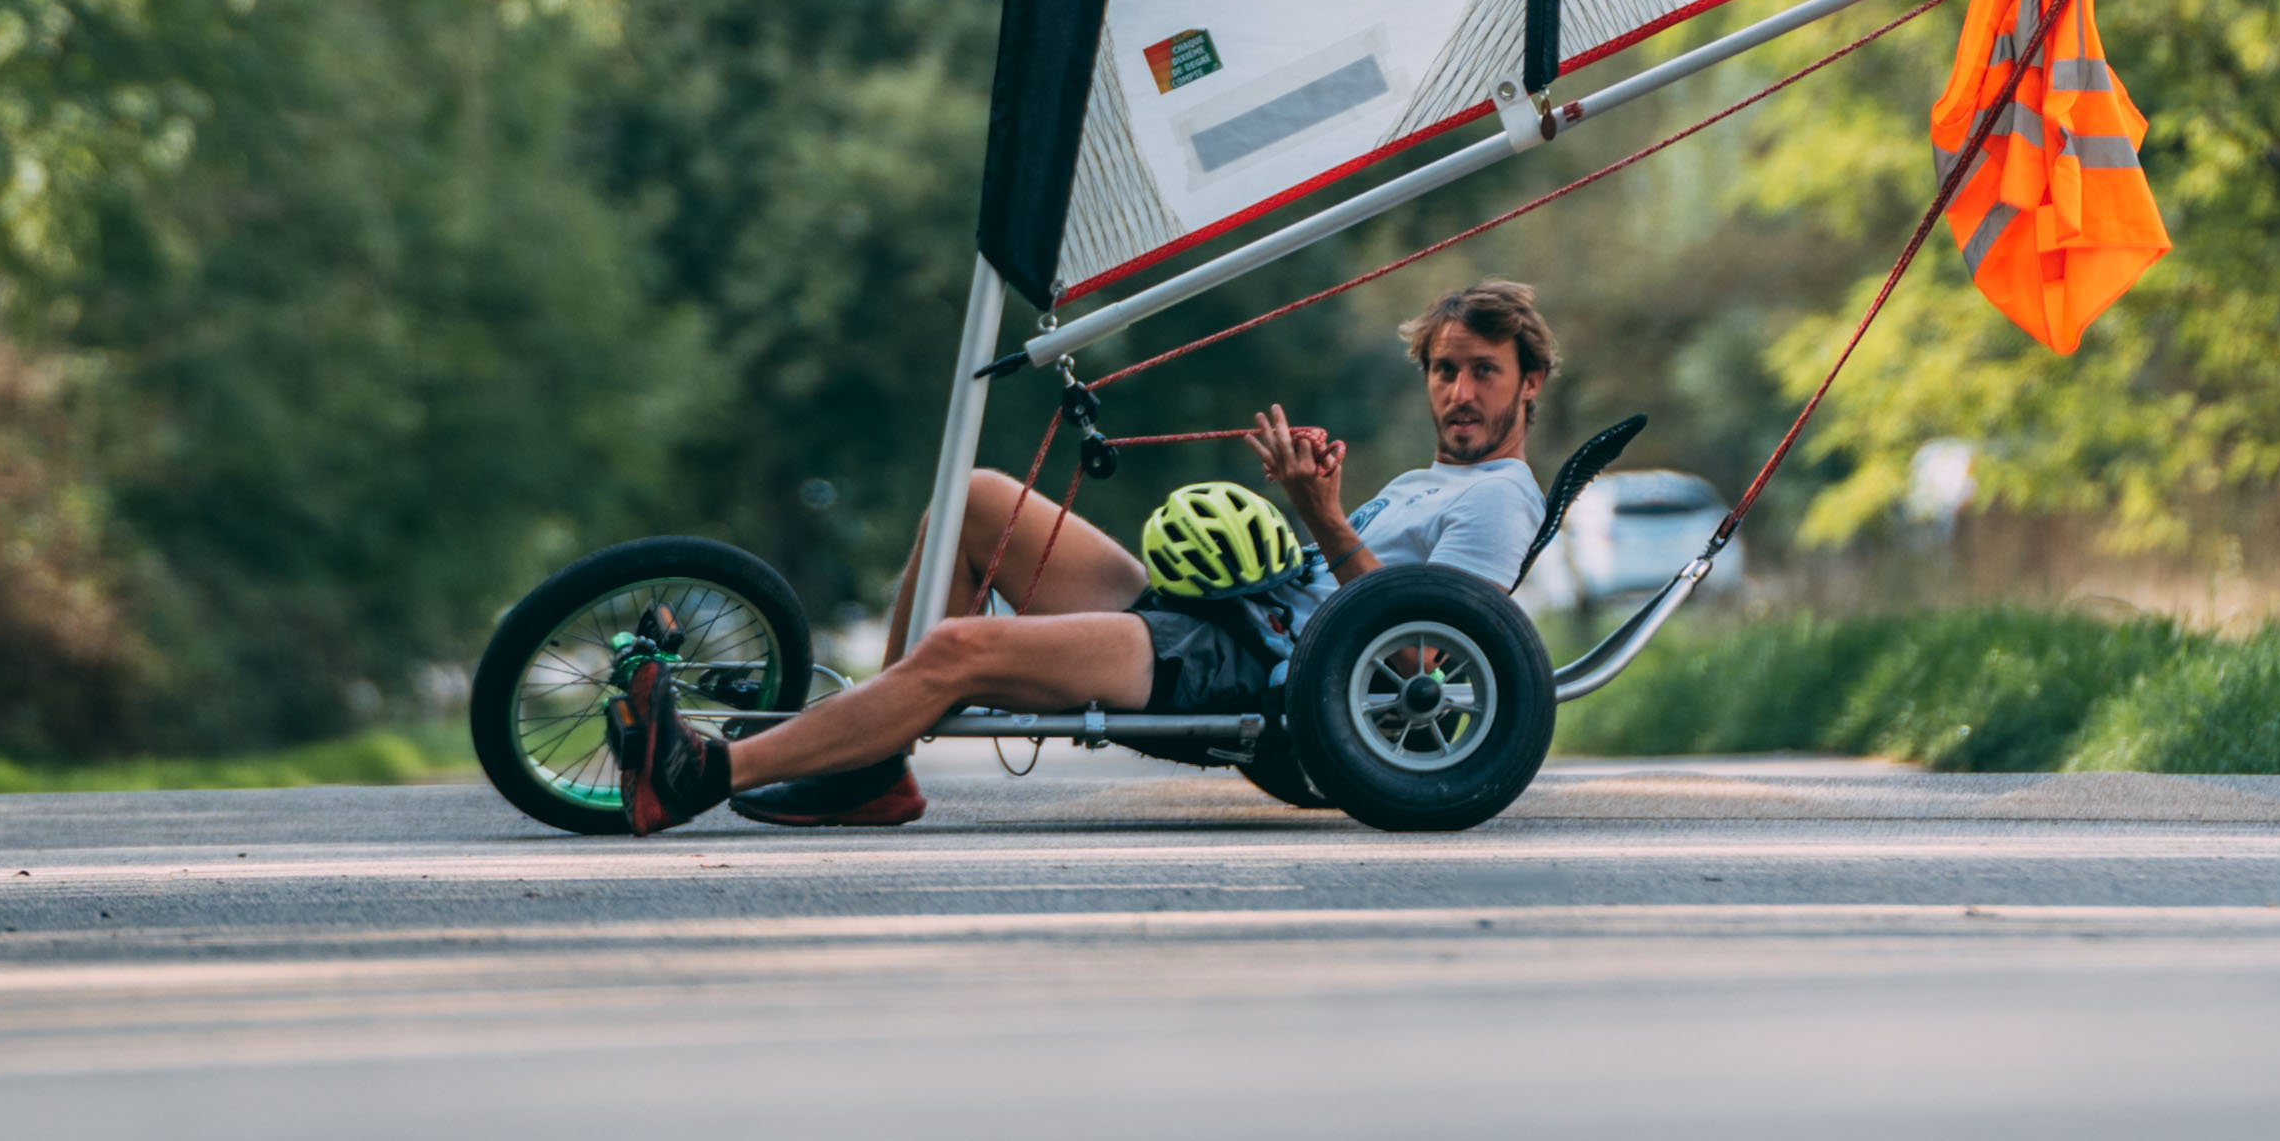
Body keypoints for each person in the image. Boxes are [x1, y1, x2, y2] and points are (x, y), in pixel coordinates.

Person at [605, 280, 1569, 833]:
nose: (1459, 390)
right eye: (1445, 368)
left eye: (1484, 370)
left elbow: (1429, 667)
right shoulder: (1423, 480)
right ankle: (868, 759)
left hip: (1248, 668)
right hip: (1229, 613)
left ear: (1528, 385)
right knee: (978, 498)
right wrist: (1315, 516)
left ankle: (705, 772)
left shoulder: (1497, 498)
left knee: (957, 653)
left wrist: (1320, 516)